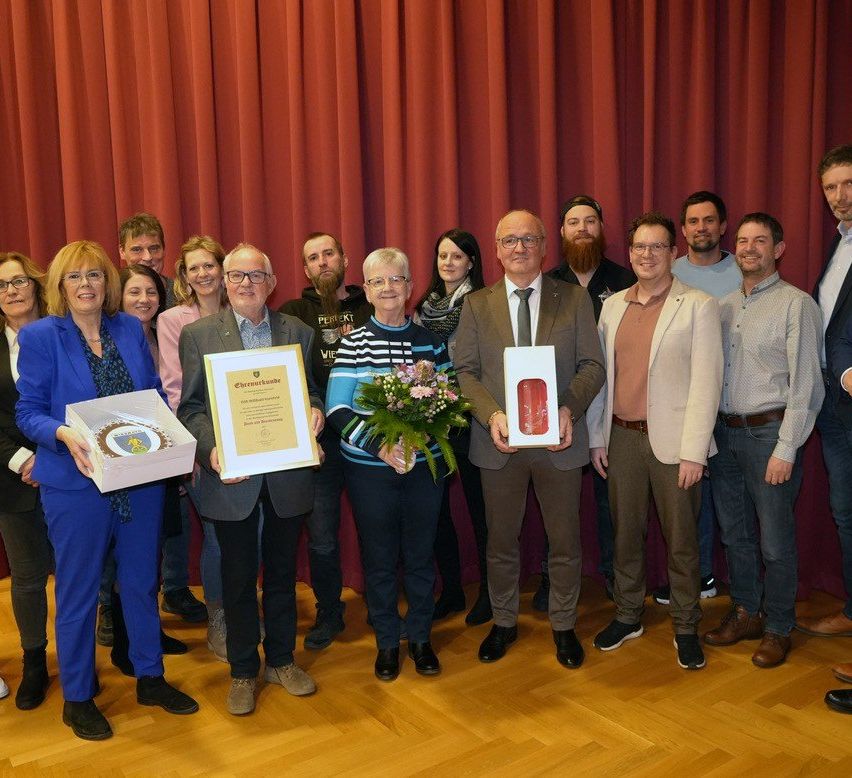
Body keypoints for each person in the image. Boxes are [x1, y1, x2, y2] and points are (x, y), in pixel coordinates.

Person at [16, 240, 198, 740]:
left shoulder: (126, 328)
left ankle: (150, 676)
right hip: (74, 483)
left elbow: (154, 396)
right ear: (59, 285)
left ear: (107, 282)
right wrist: (62, 432)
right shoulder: (39, 337)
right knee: (77, 593)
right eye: (74, 277)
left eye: (94, 275)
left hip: (138, 477)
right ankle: (77, 697)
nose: (86, 285)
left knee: (141, 582)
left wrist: (173, 435)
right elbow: (27, 411)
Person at [454, 209, 605, 669]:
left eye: (528, 239)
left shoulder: (575, 299)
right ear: (497, 250)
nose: (519, 247)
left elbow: (593, 367)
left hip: (559, 442)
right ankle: (504, 622)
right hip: (499, 444)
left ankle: (563, 626)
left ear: (544, 246)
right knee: (500, 542)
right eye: (509, 240)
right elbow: (465, 372)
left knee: (565, 542)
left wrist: (567, 410)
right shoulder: (477, 304)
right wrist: (492, 415)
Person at [177, 243, 324, 716]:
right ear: (223, 280)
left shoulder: (298, 332)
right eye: (236, 275)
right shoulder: (199, 334)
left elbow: (314, 391)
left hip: (286, 476)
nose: (245, 284)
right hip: (232, 477)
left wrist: (316, 414)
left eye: (254, 276)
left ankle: (281, 660)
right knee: (238, 580)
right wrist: (210, 449)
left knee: (282, 577)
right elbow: (192, 408)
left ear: (272, 280)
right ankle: (243, 670)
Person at [588, 212, 722, 670]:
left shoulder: (698, 305)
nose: (647, 255)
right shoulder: (612, 306)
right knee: (625, 535)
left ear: (674, 252)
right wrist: (595, 437)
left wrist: (695, 451)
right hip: (620, 438)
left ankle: (686, 625)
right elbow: (602, 378)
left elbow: (708, 382)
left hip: (675, 445)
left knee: (682, 540)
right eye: (639, 247)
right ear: (629, 253)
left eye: (657, 247)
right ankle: (628, 615)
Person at [703, 213, 823, 668]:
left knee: (775, 541)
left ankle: (778, 627)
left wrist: (786, 448)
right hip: (725, 435)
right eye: (743, 240)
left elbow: (808, 385)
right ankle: (747, 613)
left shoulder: (797, 305)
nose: (749, 247)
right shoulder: (724, 306)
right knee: (736, 536)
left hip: (769, 435)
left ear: (779, 249)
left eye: (760, 240)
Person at [326, 247, 449, 681]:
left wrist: (422, 440)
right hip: (369, 471)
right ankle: (385, 642)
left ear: (411, 287)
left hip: (423, 470)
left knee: (419, 556)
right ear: (368, 290)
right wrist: (381, 446)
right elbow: (337, 410)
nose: (387, 288)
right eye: (377, 281)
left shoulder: (430, 341)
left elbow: (450, 403)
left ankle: (419, 637)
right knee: (379, 559)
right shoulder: (353, 342)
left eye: (396, 279)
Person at [279, 232, 372, 649]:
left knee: (378, 526)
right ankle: (329, 612)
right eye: (312, 257)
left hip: (370, 439)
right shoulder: (293, 314)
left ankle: (383, 606)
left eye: (328, 253)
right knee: (321, 536)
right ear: (305, 269)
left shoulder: (371, 305)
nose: (322, 262)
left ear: (345, 259)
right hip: (320, 446)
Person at [542, 195, 635, 605]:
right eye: (573, 222)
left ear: (601, 228)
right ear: (561, 232)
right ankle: (552, 578)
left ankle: (617, 578)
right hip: (554, 408)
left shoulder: (628, 279)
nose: (582, 228)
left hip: (611, 409)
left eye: (590, 221)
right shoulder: (545, 283)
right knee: (552, 504)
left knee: (610, 503)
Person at [115, 212, 205, 630]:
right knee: (124, 529)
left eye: (154, 249)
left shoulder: (175, 304)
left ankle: (174, 589)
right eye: (137, 250)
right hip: (124, 440)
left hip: (173, 431)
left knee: (175, 517)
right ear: (121, 254)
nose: (148, 257)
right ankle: (111, 607)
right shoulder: (110, 312)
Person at [651, 191, 739, 607]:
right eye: (692, 221)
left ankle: (744, 589)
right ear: (681, 230)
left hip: (735, 406)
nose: (700, 228)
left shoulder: (744, 270)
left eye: (709, 220)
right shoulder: (668, 272)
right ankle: (699, 576)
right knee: (692, 503)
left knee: (734, 503)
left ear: (723, 226)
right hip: (683, 413)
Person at [157, 235, 230, 660]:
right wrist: (204, 444)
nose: (203, 274)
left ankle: (239, 608)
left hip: (249, 441)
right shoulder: (173, 320)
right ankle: (219, 618)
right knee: (219, 535)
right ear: (184, 276)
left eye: (209, 265)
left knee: (246, 532)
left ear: (222, 269)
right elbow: (174, 388)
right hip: (202, 444)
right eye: (193, 268)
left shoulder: (243, 311)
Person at [414, 228, 491, 626]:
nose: (448, 263)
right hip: (436, 426)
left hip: (475, 421)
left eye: (457, 257)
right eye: (443, 256)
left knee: (482, 512)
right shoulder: (422, 310)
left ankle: (491, 594)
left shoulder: (483, 304)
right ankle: (452, 591)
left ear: (472, 262)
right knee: (437, 512)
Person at [799, 144, 852, 713]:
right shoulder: (840, 246)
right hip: (837, 412)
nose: (840, 196)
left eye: (848, 183)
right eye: (832, 187)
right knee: (845, 514)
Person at [0, 252, 52, 709]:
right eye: (2, 286)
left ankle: (88, 659)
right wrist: (22, 461)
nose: (12, 290)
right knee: (29, 577)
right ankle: (34, 661)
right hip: (11, 480)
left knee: (87, 573)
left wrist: (50, 461)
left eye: (18, 281)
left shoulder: (63, 333)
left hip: (70, 469)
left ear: (36, 285)